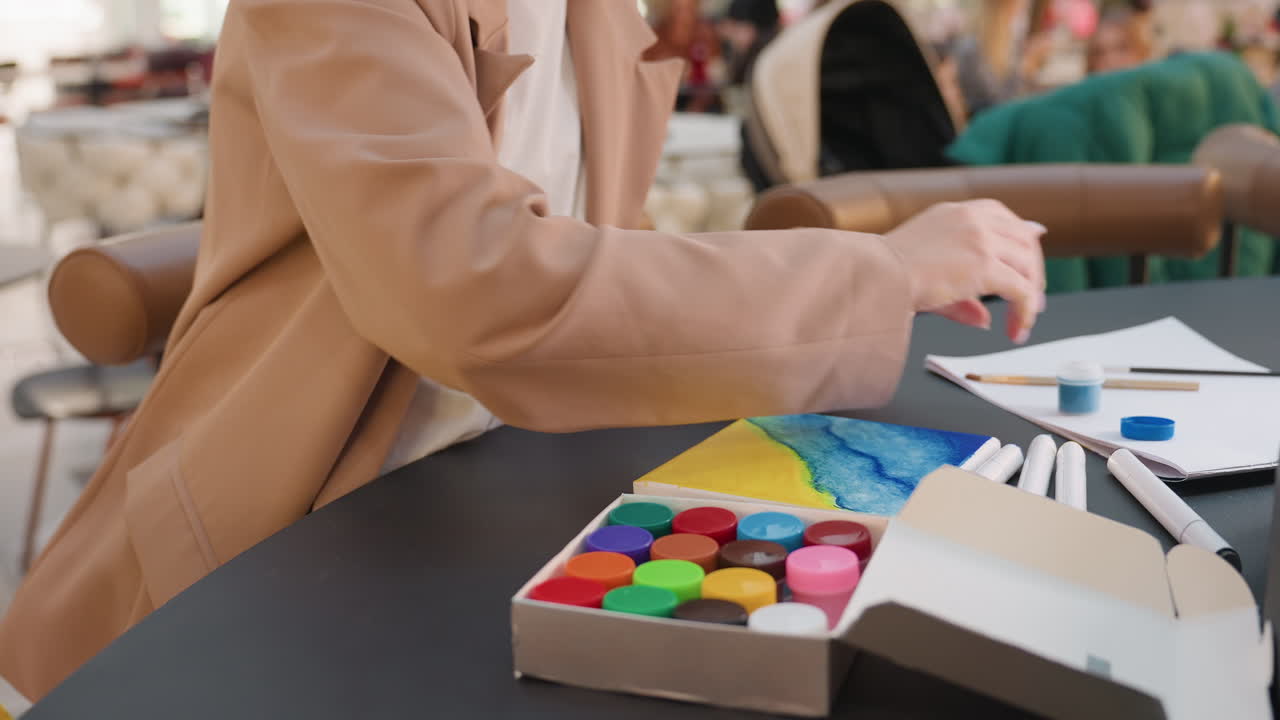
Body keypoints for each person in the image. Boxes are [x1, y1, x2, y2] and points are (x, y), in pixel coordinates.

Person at [0, 0, 1046, 701]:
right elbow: (471, 288)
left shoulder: (601, 16)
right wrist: (877, 274)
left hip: (518, 484)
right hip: (307, 520)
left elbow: (598, 254)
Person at [951, 0, 1051, 117]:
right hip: (988, 122)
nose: (1024, 8)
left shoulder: (1007, 41)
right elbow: (998, 105)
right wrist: (1026, 68)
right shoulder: (973, 48)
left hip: (1002, 118)